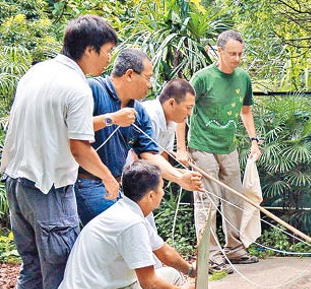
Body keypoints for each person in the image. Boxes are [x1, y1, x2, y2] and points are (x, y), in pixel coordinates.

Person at [1, 15, 118, 289]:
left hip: (17, 182)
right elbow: (79, 147)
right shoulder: (77, 87)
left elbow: (52, 126)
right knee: (61, 265)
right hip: (49, 187)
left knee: (32, 263)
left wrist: (110, 119)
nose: (108, 59)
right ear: (89, 49)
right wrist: (109, 178)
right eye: (107, 51)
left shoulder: (37, 73)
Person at [58, 161, 196, 289]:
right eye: (161, 188)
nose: (162, 193)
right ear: (151, 195)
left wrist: (192, 271)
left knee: (170, 275)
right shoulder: (132, 224)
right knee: (166, 284)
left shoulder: (126, 211)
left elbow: (163, 251)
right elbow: (150, 284)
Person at [76, 49, 202, 226]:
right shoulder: (93, 89)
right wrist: (112, 119)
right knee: (128, 230)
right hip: (86, 183)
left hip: (115, 186)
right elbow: (69, 129)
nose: (150, 85)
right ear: (129, 75)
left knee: (140, 232)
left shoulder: (139, 111)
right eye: (148, 77)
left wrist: (178, 177)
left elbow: (150, 154)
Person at [182, 30, 262, 274]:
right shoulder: (203, 78)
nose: (237, 58)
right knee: (208, 201)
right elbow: (182, 111)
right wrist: (181, 149)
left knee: (234, 198)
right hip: (201, 146)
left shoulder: (243, 78)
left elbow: (245, 111)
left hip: (228, 147)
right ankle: (212, 256)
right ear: (219, 51)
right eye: (232, 54)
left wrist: (254, 140)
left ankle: (235, 249)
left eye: (240, 54)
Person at [141, 79, 196, 161]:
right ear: (171, 103)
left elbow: (162, 157)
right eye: (188, 108)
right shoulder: (150, 117)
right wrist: (176, 174)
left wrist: (181, 173)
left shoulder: (171, 122)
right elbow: (145, 157)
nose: (189, 113)